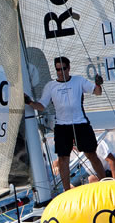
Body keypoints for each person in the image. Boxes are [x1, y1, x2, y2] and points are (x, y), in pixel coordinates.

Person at [24, 56, 106, 191]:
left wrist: (98, 84)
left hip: (80, 123)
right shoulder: (51, 86)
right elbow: (42, 106)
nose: (60, 72)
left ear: (68, 68)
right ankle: (67, 190)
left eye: (62, 69)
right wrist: (29, 102)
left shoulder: (78, 80)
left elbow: (97, 92)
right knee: (63, 158)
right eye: (57, 70)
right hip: (62, 126)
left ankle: (105, 182)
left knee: (91, 154)